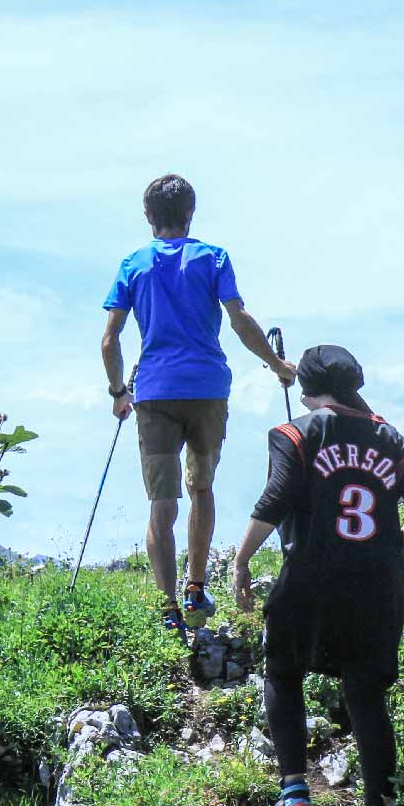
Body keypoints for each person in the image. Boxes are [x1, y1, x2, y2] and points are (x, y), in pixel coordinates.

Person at [231, 345, 404, 806]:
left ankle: (294, 789)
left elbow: (276, 496)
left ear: (304, 387)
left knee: (283, 668)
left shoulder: (294, 432)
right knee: (365, 693)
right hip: (379, 582)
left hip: (311, 574)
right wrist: (396, 542)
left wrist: (240, 562)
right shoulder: (390, 437)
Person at [101, 174, 297, 632]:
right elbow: (239, 320)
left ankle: (168, 607)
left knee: (162, 503)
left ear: (148, 216)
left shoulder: (133, 264)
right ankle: (195, 589)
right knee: (201, 488)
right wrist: (278, 366)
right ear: (191, 214)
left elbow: (110, 340)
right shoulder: (212, 258)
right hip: (207, 390)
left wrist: (117, 394)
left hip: (154, 394)